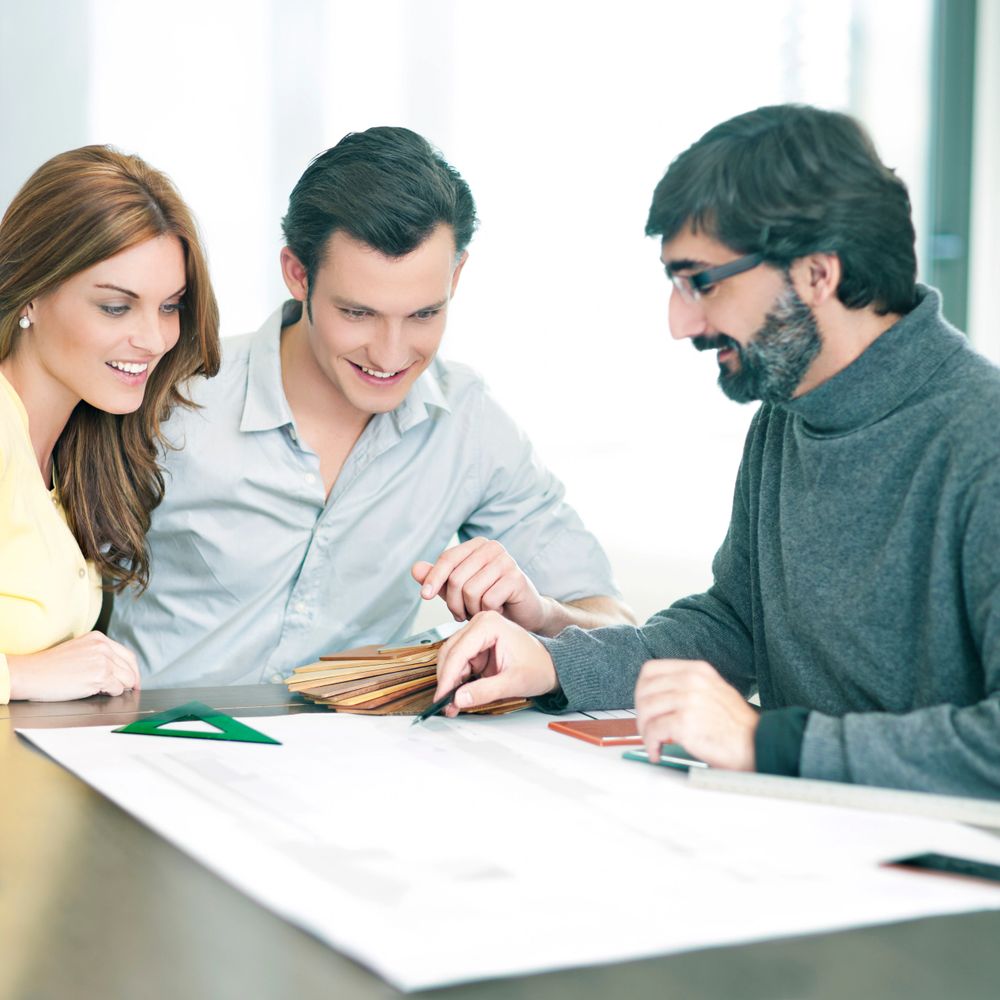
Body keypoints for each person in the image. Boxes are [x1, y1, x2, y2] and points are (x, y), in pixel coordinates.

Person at [434, 104, 1000, 798]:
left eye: (701, 281)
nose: (681, 323)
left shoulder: (982, 441)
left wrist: (766, 740)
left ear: (818, 274)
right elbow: (732, 629)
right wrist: (554, 664)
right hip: (801, 841)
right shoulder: (788, 414)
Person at [109, 126, 633, 687]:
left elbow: (620, 634)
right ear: (297, 275)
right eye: (358, 313)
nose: (390, 354)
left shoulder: (470, 428)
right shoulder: (169, 398)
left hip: (352, 761)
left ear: (455, 278)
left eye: (424, 315)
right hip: (147, 747)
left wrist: (542, 615)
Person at [0, 145, 221, 703]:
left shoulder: (80, 445)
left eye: (169, 306)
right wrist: (22, 677)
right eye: (116, 307)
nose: (152, 339)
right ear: (31, 293)